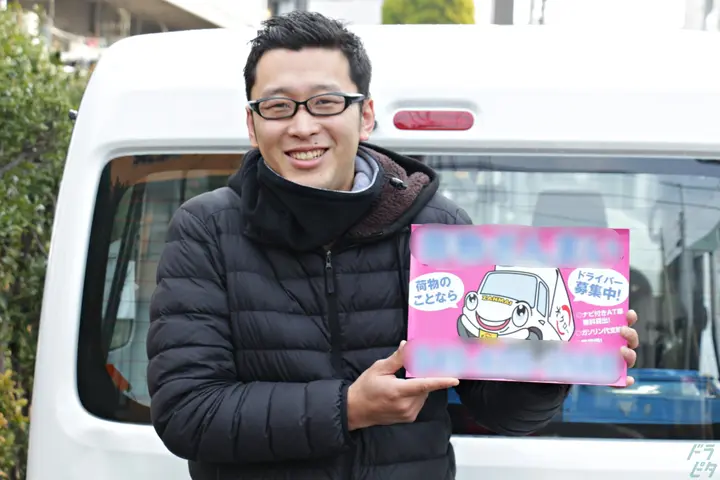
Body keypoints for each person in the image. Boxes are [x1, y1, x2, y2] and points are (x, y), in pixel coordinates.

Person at [145, 11, 640, 480]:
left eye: (326, 102)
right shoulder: (207, 229)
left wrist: (552, 362)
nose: (302, 126)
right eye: (277, 107)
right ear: (252, 125)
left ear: (365, 116)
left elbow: (500, 412)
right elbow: (187, 412)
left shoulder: (438, 228)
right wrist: (348, 409)